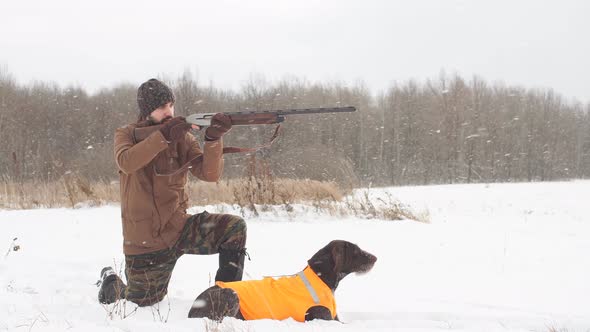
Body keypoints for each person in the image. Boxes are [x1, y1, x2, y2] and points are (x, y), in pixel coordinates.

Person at [97, 78, 247, 308]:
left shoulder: (183, 137)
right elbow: (127, 162)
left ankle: (224, 297)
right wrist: (163, 136)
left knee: (234, 228)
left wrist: (214, 139)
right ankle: (110, 282)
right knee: (140, 302)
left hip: (179, 228)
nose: (168, 112)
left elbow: (209, 174)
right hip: (146, 243)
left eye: (170, 105)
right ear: (147, 112)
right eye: (161, 107)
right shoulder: (125, 134)